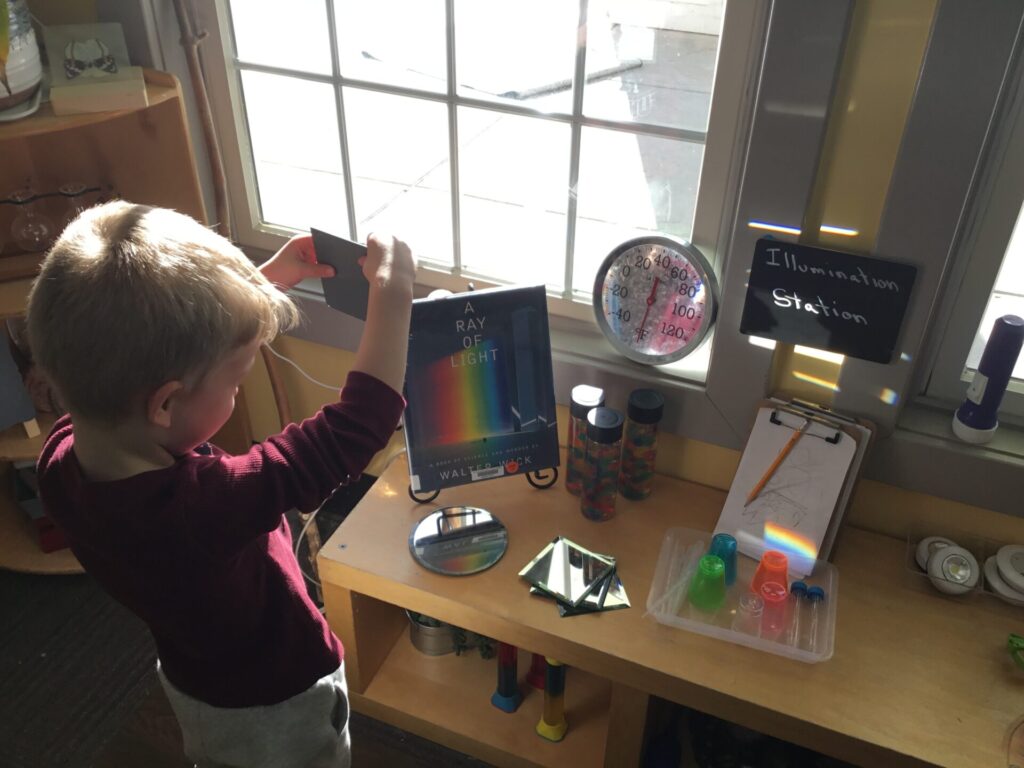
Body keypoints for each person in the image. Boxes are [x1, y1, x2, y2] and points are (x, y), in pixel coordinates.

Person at [25, 201, 416, 768]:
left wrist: (254, 290)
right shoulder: (203, 511)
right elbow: (352, 431)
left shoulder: (63, 457)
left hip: (199, 681)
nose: (239, 388)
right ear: (164, 402)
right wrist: (394, 293)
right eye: (237, 378)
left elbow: (146, 348)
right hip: (277, 706)